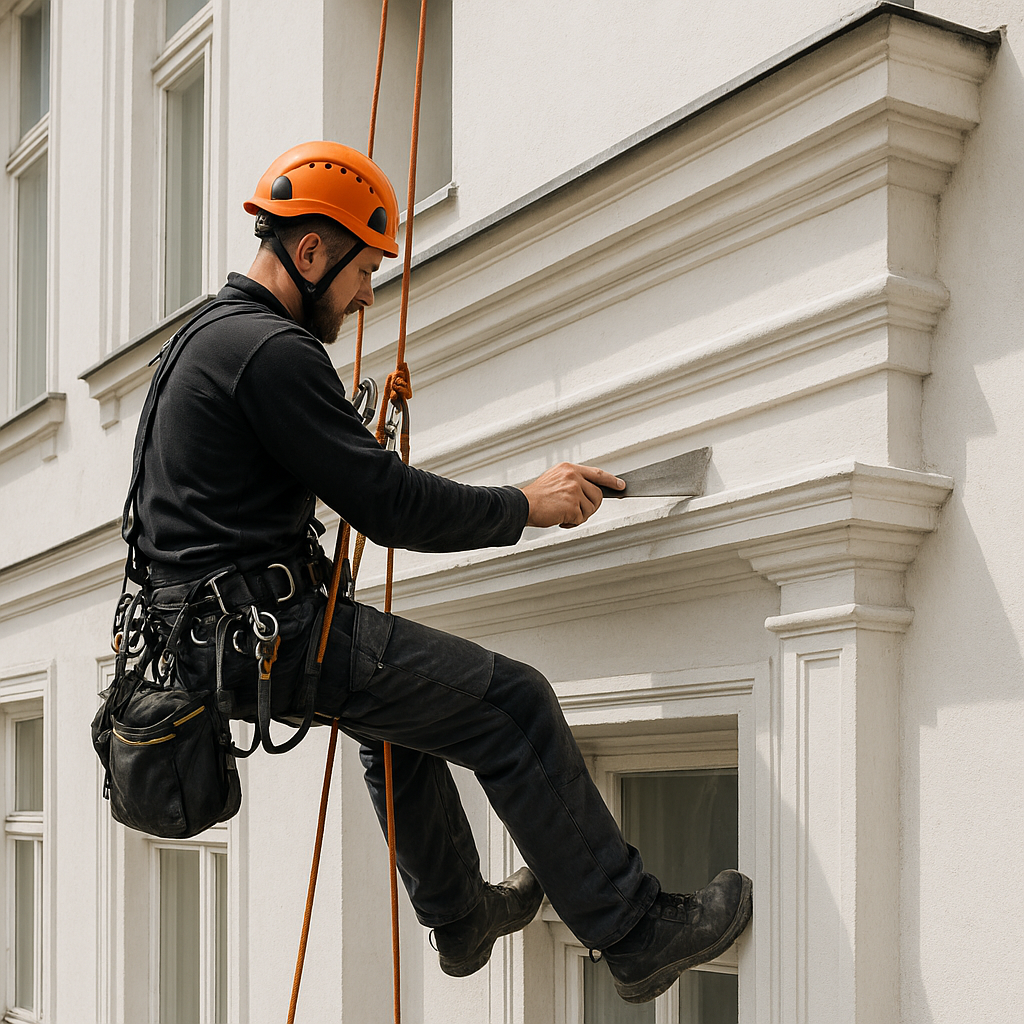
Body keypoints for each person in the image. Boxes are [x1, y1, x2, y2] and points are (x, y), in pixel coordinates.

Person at [129, 140, 752, 1005]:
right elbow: (391, 506)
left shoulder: (202, 340)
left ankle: (459, 915)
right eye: (361, 271)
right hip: (267, 633)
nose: (366, 294)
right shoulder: (270, 351)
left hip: (216, 642)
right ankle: (634, 931)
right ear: (309, 252)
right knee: (510, 703)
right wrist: (526, 505)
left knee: (398, 720)